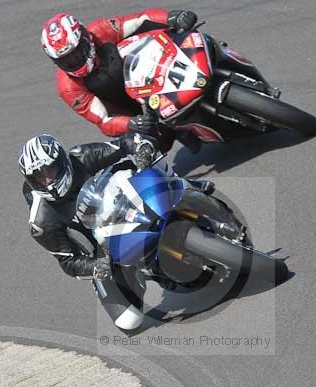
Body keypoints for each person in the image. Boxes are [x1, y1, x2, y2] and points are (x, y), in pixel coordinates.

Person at [18, 132, 213, 332]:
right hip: (104, 248)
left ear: (62, 161)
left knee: (151, 163)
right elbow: (68, 261)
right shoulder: (41, 221)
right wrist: (97, 267)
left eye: (50, 170)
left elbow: (123, 144)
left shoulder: (80, 157)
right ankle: (148, 271)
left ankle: (185, 189)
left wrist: (141, 149)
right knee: (128, 321)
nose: (48, 180)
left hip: (124, 203)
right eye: (39, 177)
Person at [40, 10, 199, 144]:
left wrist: (172, 17)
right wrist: (131, 124)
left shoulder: (99, 30)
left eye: (77, 53)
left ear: (85, 38)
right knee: (146, 142)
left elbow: (140, 20)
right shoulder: (68, 87)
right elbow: (103, 120)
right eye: (66, 60)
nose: (74, 61)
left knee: (181, 34)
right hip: (131, 109)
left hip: (151, 70)